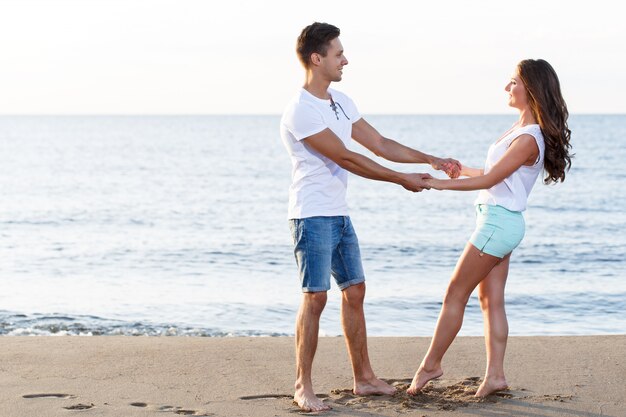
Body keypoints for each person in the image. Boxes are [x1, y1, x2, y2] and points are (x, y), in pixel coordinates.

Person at [280, 22, 461, 412]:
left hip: (339, 214)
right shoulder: (300, 110)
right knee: (315, 299)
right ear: (317, 58)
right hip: (311, 216)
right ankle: (303, 386)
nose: (345, 59)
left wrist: (428, 158)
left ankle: (363, 378)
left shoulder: (341, 100)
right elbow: (345, 157)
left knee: (355, 291)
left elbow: (378, 143)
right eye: (338, 53)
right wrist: (401, 180)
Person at [407, 59, 572, 397]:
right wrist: (459, 170)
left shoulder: (530, 138)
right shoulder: (520, 130)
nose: (506, 88)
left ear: (532, 89)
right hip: (499, 220)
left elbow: (492, 179)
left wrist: (438, 185)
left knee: (455, 293)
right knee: (490, 300)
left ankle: (431, 365)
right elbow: (490, 174)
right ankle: (495, 376)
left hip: (498, 223)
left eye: (513, 82)